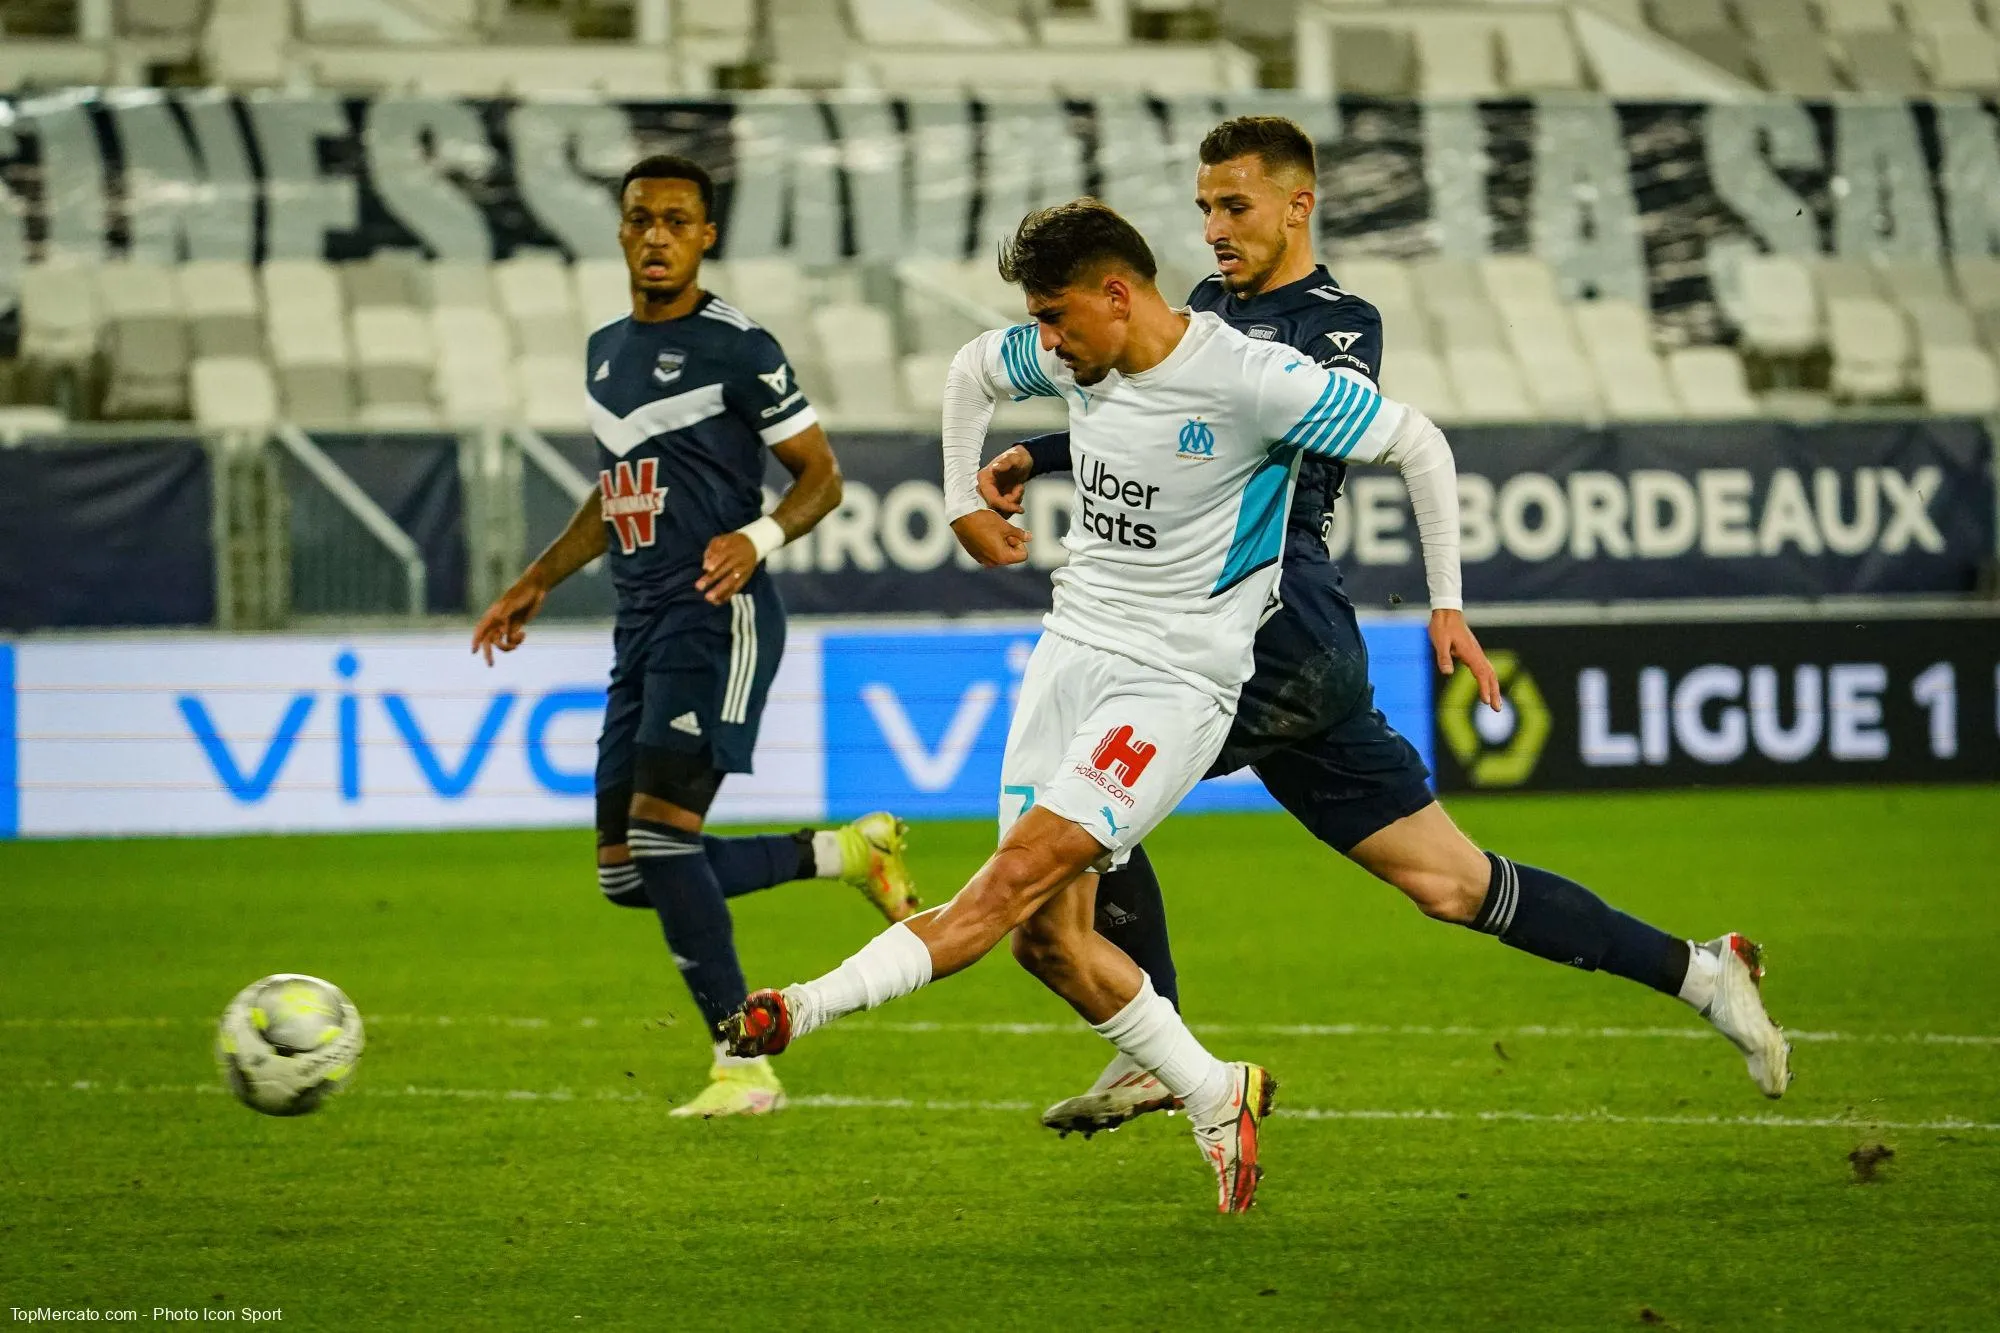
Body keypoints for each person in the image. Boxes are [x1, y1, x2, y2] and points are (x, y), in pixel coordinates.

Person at [975, 117, 1791, 1136]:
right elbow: (1153, 426)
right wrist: (1039, 458)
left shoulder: (1334, 322)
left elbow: (1325, 434)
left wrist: (1445, 601)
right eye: (1202, 209)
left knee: (1080, 804)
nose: (1215, 227)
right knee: (1451, 884)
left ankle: (1156, 1046)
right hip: (1265, 650)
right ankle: (1700, 971)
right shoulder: (1203, 313)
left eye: (1234, 205)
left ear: (1295, 203)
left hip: (1270, 636)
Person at [721, 198, 1475, 1213]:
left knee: (1009, 881)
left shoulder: (1254, 378)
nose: (1042, 343)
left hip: (1174, 682)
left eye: (1056, 318)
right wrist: (959, 502)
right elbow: (969, 373)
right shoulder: (1079, 351)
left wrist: (1444, 604)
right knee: (1047, 942)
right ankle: (1216, 1092)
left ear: (1116, 295)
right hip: (1069, 654)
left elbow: (1418, 443)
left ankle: (795, 1009)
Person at [471, 154, 919, 1120]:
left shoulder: (738, 347)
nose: (658, 236)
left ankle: (742, 1060)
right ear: (622, 230)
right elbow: (616, 489)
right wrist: (539, 577)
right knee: (629, 873)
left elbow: (820, 476)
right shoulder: (604, 351)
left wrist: (755, 539)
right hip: (640, 624)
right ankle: (846, 855)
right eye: (642, 219)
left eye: (678, 220)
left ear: (707, 235)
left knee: (665, 839)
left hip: (718, 614)